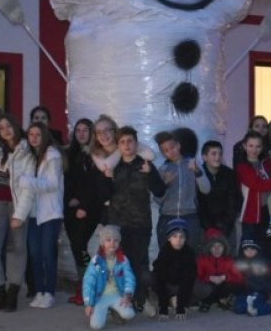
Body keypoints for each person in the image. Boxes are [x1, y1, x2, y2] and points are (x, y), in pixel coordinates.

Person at [107, 126, 166, 313]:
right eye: (123, 142)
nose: (127, 145)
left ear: (136, 143)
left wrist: (151, 174)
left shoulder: (145, 164)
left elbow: (160, 191)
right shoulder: (114, 167)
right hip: (118, 224)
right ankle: (121, 299)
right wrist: (106, 178)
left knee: (139, 262)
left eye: (130, 141)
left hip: (141, 223)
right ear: (118, 145)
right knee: (119, 263)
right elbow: (105, 194)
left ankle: (142, 299)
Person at [0, 114, 34, 312]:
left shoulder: (26, 152)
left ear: (15, 127)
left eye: (9, 126)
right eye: (1, 127)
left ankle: (13, 290)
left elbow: (29, 187)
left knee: (20, 248)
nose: (5, 130)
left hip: (17, 205)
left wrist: (19, 214)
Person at [64, 118, 110, 305]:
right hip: (69, 208)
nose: (81, 133)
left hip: (89, 209)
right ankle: (85, 285)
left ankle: (89, 285)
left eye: (85, 130)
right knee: (78, 248)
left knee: (80, 246)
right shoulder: (69, 153)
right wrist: (69, 200)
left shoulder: (96, 155)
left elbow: (93, 184)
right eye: (78, 130)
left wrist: (83, 205)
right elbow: (66, 181)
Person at [22, 122, 64, 309]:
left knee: (47, 253)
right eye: (30, 134)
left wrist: (27, 182)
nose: (34, 138)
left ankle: (49, 291)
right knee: (34, 254)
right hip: (32, 213)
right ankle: (39, 290)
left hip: (50, 212)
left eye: (37, 134)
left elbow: (52, 183)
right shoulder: (29, 157)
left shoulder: (52, 155)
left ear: (44, 135)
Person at [155, 131, 210, 254]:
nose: (171, 152)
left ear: (178, 145)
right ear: (163, 153)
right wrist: (165, 185)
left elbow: (206, 189)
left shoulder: (193, 164)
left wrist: (197, 172)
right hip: (167, 217)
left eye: (172, 147)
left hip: (190, 216)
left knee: (192, 254)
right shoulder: (163, 170)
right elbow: (157, 200)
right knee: (167, 256)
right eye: (166, 150)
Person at [82, 225, 136, 330]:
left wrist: (127, 295)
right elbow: (88, 282)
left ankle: (115, 311)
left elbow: (129, 278)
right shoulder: (96, 261)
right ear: (102, 243)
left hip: (117, 295)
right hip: (100, 297)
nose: (112, 243)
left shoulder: (123, 260)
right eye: (108, 240)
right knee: (96, 326)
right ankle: (104, 311)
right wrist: (89, 304)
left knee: (129, 314)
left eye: (116, 240)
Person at [197, 140, 242, 247]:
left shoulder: (229, 174)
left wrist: (227, 224)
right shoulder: (199, 174)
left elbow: (235, 200)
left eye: (220, 154)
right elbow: (198, 203)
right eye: (213, 154)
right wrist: (209, 227)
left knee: (228, 258)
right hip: (204, 227)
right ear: (204, 157)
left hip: (227, 226)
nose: (217, 157)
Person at [152, 218, 197, 321]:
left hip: (182, 285)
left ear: (186, 239)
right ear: (169, 238)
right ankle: (167, 301)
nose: (178, 240)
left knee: (198, 286)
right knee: (152, 277)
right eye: (174, 236)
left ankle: (179, 302)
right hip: (168, 284)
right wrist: (163, 309)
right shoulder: (164, 253)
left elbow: (188, 279)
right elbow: (160, 280)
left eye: (182, 237)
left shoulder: (189, 253)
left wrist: (181, 307)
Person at [233, 239, 271, 316]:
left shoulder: (265, 262)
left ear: (257, 250)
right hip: (245, 293)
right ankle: (258, 306)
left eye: (252, 249)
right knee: (238, 308)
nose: (249, 252)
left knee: (254, 307)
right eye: (246, 249)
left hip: (259, 291)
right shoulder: (239, 263)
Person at [193, 230, 241, 312]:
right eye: (213, 246)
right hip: (209, 287)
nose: (217, 249)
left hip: (223, 286)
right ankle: (207, 301)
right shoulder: (202, 260)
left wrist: (225, 277)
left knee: (234, 284)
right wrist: (209, 278)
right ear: (209, 248)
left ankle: (222, 300)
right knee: (204, 287)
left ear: (224, 247)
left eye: (220, 246)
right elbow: (197, 275)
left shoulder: (229, 261)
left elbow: (238, 277)